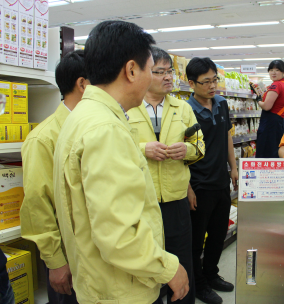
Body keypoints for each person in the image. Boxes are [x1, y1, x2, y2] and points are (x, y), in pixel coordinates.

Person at [53, 21, 188, 304]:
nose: (153, 78)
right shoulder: (105, 129)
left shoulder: (81, 116)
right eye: (151, 70)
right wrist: (169, 268)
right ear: (130, 70)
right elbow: (118, 235)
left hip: (99, 279)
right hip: (120, 289)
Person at [127, 47, 205, 304]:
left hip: (175, 200)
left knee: (181, 259)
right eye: (159, 71)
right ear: (144, 73)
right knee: (147, 263)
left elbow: (199, 146)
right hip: (141, 202)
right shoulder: (128, 108)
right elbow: (116, 147)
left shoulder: (182, 108)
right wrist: (143, 149)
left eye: (169, 71)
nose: (168, 77)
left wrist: (187, 150)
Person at [21, 50, 87, 304]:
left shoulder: (93, 128)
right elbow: (38, 204)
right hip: (68, 256)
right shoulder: (44, 138)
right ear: (82, 85)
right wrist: (56, 261)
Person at [186, 57, 238, 304]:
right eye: (206, 82)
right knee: (197, 240)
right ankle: (199, 284)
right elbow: (181, 154)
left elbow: (227, 136)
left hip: (220, 182)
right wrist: (187, 187)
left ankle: (212, 274)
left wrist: (233, 167)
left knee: (218, 233)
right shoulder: (186, 111)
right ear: (191, 83)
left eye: (214, 79)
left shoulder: (222, 103)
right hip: (199, 185)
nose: (212, 85)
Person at [256, 60, 284, 158]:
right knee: (275, 153)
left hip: (270, 125)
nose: (273, 72)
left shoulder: (277, 85)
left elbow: (267, 106)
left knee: (265, 154)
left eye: (277, 70)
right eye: (271, 70)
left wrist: (258, 101)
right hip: (279, 123)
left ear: (283, 72)